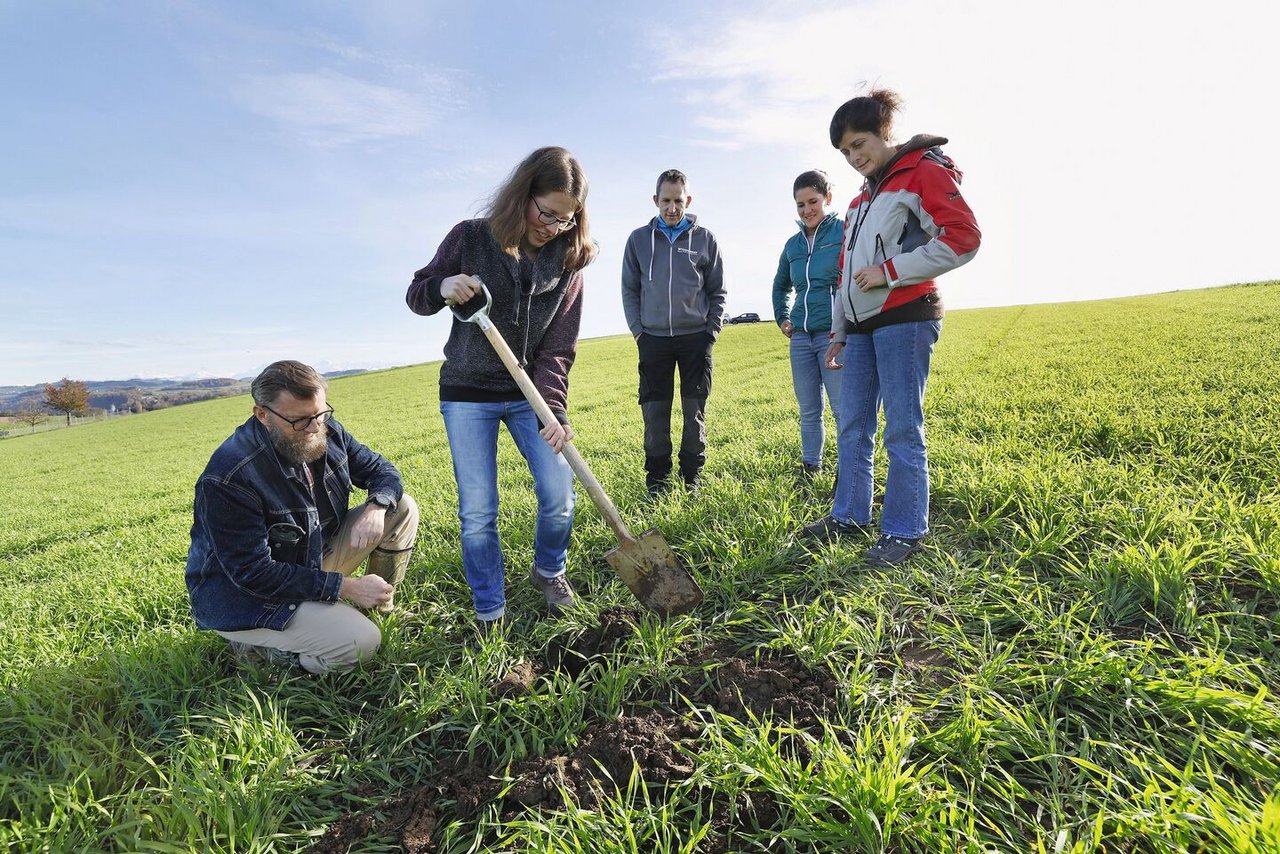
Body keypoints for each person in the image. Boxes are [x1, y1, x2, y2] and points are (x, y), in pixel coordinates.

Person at [406, 146, 596, 630]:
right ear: (523, 194)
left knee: (559, 494)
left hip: (531, 394)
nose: (552, 227)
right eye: (546, 213)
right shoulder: (471, 238)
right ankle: (490, 609)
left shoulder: (567, 259)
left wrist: (553, 410)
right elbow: (418, 294)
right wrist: (443, 285)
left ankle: (548, 572)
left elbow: (558, 345)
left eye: (564, 220)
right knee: (479, 511)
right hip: (468, 393)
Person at [800, 89, 981, 566]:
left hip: (906, 319)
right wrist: (838, 331)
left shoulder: (922, 171)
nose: (855, 157)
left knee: (902, 428)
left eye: (860, 144)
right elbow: (843, 272)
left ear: (884, 133)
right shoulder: (860, 200)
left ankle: (904, 531)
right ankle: (848, 515)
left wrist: (891, 271)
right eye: (845, 151)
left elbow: (964, 237)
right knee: (853, 424)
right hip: (858, 329)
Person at [186, 360, 420, 674]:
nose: (314, 428)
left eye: (320, 414)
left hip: (307, 560)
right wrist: (345, 588)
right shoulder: (229, 478)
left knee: (400, 507)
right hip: (248, 597)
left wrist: (376, 508)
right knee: (360, 644)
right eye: (299, 420)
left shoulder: (325, 429)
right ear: (263, 414)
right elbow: (252, 574)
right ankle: (267, 653)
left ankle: (380, 605)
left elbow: (382, 471)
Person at [621, 169, 727, 498]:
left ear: (688, 200)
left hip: (696, 338)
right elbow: (629, 290)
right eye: (665, 201)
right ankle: (657, 481)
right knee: (654, 413)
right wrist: (639, 333)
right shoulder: (638, 240)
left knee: (694, 412)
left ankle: (692, 476)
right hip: (653, 341)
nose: (672, 207)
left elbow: (718, 291)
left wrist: (711, 331)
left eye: (678, 201)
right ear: (655, 200)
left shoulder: (705, 239)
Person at [772, 169, 844, 478]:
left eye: (812, 201)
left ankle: (849, 468)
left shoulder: (843, 232)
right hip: (801, 338)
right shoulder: (792, 245)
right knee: (809, 409)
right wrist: (782, 317)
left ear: (827, 198)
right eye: (800, 205)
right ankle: (811, 465)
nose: (807, 210)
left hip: (834, 335)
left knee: (843, 409)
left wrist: (845, 325)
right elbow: (780, 285)